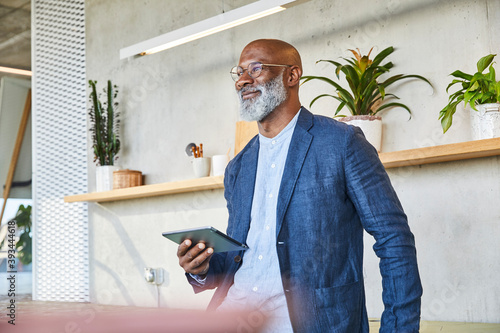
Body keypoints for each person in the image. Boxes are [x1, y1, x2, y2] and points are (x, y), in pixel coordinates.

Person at [177, 39, 422, 333]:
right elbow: (242, 256)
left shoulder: (342, 143)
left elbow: (394, 240)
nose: (242, 80)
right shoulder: (238, 167)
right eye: (239, 72)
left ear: (291, 76)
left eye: (256, 69)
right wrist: (202, 269)